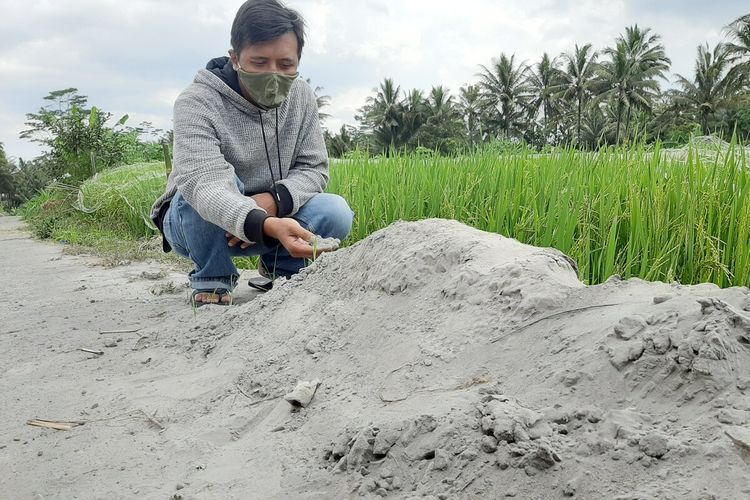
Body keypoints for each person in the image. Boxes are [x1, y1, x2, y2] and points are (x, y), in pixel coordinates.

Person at [150, 0, 353, 306]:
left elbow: (314, 168)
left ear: (298, 61)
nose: (273, 74)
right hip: (202, 226)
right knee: (195, 196)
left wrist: (271, 203)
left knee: (334, 211)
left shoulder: (302, 97)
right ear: (235, 59)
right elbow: (202, 183)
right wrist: (253, 218)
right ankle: (212, 276)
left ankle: (281, 269)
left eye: (286, 65)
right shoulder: (196, 101)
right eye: (259, 63)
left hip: (270, 222)